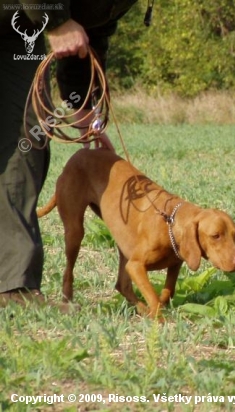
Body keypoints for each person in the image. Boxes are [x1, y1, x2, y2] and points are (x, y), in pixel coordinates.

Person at [0, 1, 138, 307]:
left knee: (26, 139)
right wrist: (56, 20)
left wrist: (80, 102)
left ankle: (12, 286)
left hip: (19, 27)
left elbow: (93, 27)